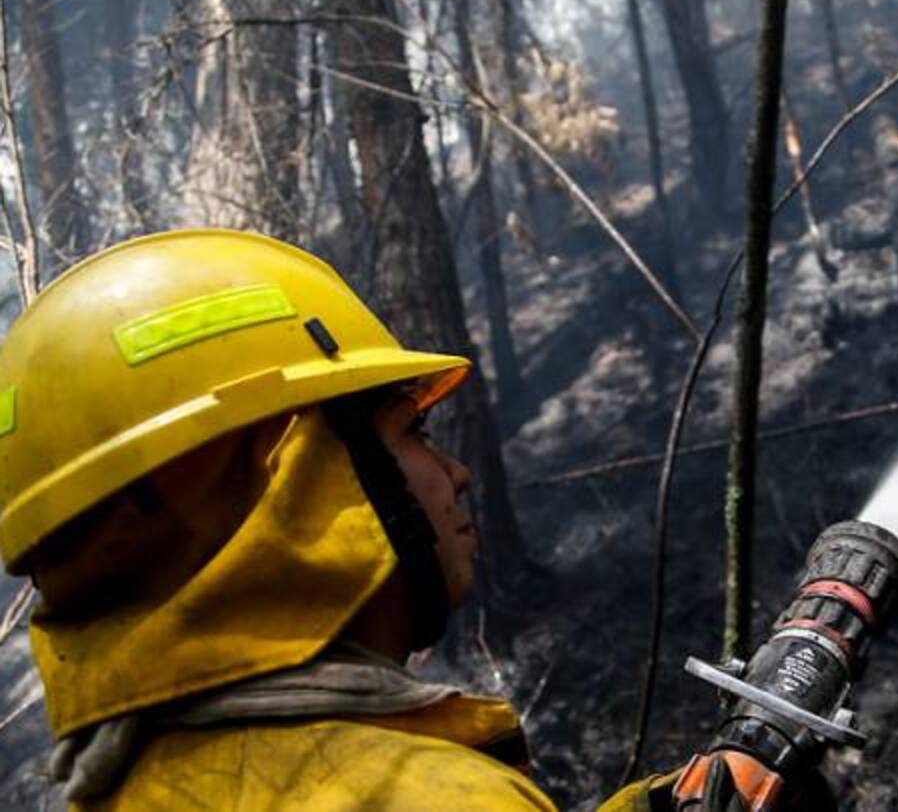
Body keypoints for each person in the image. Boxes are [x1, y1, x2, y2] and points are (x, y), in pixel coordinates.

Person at [0, 229, 674, 810]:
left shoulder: (127, 790)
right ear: (286, 483)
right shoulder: (415, 796)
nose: (456, 473)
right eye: (413, 433)